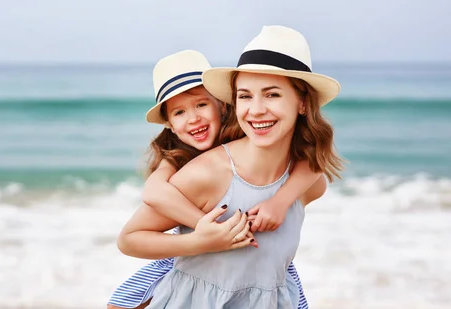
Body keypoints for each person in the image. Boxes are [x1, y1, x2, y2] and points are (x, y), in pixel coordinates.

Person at [116, 25, 344, 309]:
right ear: (169, 125)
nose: (194, 119)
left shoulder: (253, 140)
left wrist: (281, 201)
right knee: (127, 301)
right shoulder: (185, 162)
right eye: (246, 96)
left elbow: (314, 163)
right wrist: (203, 232)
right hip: (197, 258)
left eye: (272, 94)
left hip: (263, 280)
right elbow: (151, 195)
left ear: (223, 106)